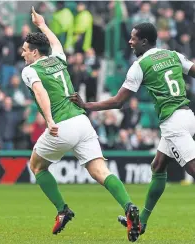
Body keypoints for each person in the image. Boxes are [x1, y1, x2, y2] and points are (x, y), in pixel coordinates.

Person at [21, 7, 141, 242]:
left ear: (35, 52)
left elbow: (39, 91)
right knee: (100, 171)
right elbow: (55, 42)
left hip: (62, 125)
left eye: (25, 50)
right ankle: (128, 207)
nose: (23, 53)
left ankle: (62, 209)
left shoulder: (30, 70)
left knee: (37, 166)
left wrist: (49, 120)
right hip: (83, 122)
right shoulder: (58, 58)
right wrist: (42, 25)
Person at [70, 22, 195, 236]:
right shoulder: (172, 55)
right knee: (158, 166)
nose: (130, 42)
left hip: (173, 123)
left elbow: (119, 102)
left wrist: (87, 105)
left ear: (144, 41)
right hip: (187, 115)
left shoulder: (140, 65)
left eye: (133, 38)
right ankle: (141, 223)